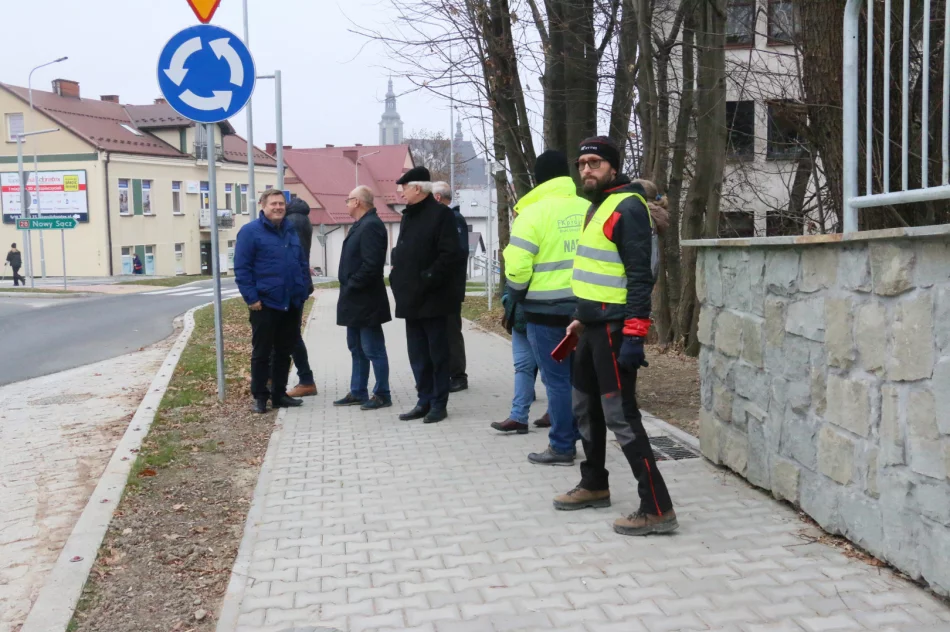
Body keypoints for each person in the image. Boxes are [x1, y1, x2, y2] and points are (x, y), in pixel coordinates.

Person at [554, 136, 677, 536]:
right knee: (583, 409)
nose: (586, 169)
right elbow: (599, 273)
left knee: (621, 418)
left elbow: (640, 277)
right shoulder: (597, 206)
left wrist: (635, 336)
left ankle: (657, 508)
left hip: (614, 330)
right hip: (590, 326)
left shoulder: (627, 206)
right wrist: (580, 317)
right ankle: (594, 484)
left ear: (612, 166)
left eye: (594, 162)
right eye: (582, 163)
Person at [498, 150, 588, 465]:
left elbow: (518, 267)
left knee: (557, 381)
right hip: (587, 311)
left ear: (537, 179)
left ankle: (562, 446)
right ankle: (587, 439)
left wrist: (518, 295)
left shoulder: (533, 214)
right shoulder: (589, 208)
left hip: (545, 312)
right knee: (582, 379)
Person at [389, 167, 461, 423]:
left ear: (417, 188)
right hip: (410, 298)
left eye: (404, 188)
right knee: (418, 354)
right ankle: (424, 399)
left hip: (433, 299)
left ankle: (439, 403)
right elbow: (405, 249)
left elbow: (449, 255)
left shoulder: (441, 215)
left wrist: (426, 278)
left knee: (437, 354)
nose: (401, 194)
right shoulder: (408, 216)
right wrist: (397, 274)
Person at [234, 189, 313, 414]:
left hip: (291, 302)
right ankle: (260, 396)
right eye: (273, 204)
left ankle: (279, 394)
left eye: (281, 204)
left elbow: (300, 262)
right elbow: (242, 268)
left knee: (283, 351)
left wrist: (302, 291)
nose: (278, 207)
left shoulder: (289, 231)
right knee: (261, 352)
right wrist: (252, 298)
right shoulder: (250, 232)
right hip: (265, 303)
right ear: (262, 205)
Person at [333, 186, 393, 411]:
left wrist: (352, 284)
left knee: (372, 348)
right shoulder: (362, 224)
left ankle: (382, 393)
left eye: (348, 200)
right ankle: (358, 390)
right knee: (356, 348)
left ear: (357, 202)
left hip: (366, 300)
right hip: (354, 301)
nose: (346, 204)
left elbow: (372, 265)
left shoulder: (371, 226)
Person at [432, 182, 470, 393]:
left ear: (437, 198)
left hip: (450, 288)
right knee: (443, 332)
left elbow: (458, 252)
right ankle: (447, 373)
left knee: (451, 332)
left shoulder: (454, 219)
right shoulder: (444, 219)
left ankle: (458, 375)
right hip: (442, 288)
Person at [282, 197, 318, 398]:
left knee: (291, 334)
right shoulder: (301, 218)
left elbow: (295, 255)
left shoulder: (294, 220)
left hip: (293, 286)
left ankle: (306, 380)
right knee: (287, 333)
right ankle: (273, 376)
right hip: (298, 284)